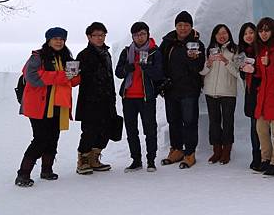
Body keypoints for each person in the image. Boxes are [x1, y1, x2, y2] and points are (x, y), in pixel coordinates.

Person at [15, 27, 80, 187]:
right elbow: (32, 77)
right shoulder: (37, 56)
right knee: (40, 139)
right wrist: (62, 76)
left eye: (62, 39)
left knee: (52, 138)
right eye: (55, 38)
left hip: (58, 104)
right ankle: (23, 174)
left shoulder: (66, 57)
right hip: (39, 105)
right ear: (48, 40)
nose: (59, 41)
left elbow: (70, 82)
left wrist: (76, 76)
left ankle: (46, 170)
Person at [115, 22, 165, 172]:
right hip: (128, 96)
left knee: (150, 128)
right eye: (136, 35)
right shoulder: (127, 51)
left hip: (146, 97)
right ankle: (136, 160)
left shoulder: (154, 52)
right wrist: (126, 69)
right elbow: (118, 72)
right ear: (132, 37)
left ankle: (151, 160)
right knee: (131, 130)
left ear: (148, 34)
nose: (139, 37)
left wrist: (147, 68)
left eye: (142, 34)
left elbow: (159, 74)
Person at [159, 11, 205, 169]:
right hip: (171, 89)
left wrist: (193, 59)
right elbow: (160, 63)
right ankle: (177, 149)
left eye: (186, 25)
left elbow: (200, 68)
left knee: (190, 122)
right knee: (174, 121)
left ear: (191, 27)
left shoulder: (197, 44)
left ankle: (190, 153)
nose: (183, 28)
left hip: (189, 90)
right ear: (175, 26)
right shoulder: (167, 43)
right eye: (180, 25)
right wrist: (162, 82)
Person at [75, 22, 117, 175]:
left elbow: (110, 77)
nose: (100, 38)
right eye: (96, 35)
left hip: (107, 99)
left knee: (105, 130)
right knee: (89, 131)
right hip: (90, 101)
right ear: (89, 37)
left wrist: (113, 97)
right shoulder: (83, 55)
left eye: (102, 35)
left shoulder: (106, 53)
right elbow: (76, 77)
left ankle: (94, 158)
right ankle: (83, 161)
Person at [200, 24, 239, 165]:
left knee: (228, 122)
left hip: (228, 92)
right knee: (214, 122)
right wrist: (209, 63)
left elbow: (238, 73)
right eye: (218, 34)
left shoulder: (236, 50)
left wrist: (226, 61)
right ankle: (216, 150)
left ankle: (226, 151)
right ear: (214, 36)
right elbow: (202, 73)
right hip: (211, 92)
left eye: (224, 33)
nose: (222, 36)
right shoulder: (209, 50)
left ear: (229, 34)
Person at [253, 17, 274, 176]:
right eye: (261, 30)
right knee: (261, 129)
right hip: (264, 95)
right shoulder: (260, 50)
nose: (263, 33)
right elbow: (260, 73)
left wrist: (270, 64)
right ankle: (265, 159)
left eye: (267, 30)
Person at [237, 22, 261, 170]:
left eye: (251, 32)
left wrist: (255, 69)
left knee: (265, 127)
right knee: (254, 126)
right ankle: (256, 156)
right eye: (245, 33)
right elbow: (242, 75)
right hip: (251, 93)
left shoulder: (262, 50)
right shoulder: (241, 53)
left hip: (263, 91)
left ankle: (266, 155)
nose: (249, 36)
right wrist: (243, 68)